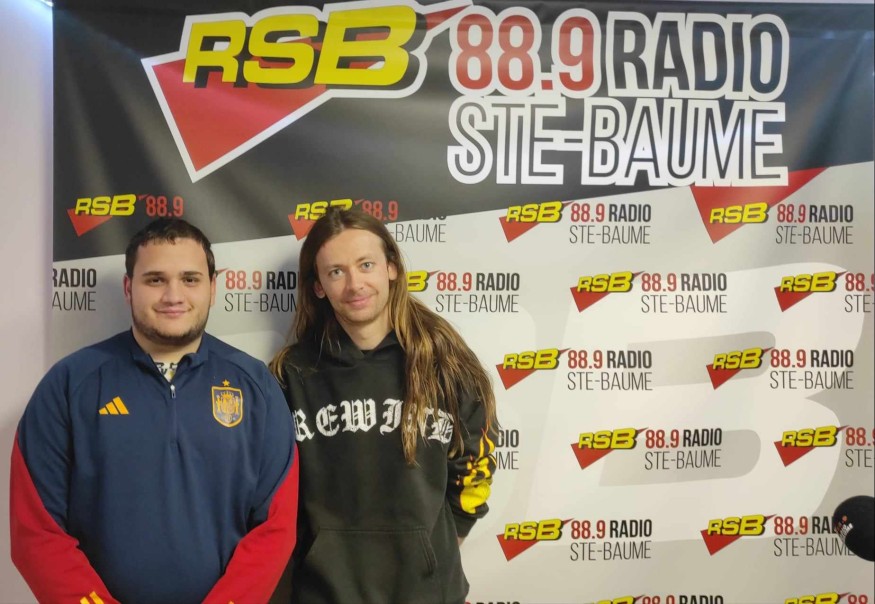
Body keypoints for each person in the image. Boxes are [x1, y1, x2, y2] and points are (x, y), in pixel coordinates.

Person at [10, 218, 299, 604]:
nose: (173, 295)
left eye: (190, 279)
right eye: (155, 279)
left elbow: (275, 528)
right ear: (129, 288)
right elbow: (36, 532)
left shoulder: (256, 386)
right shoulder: (68, 384)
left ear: (213, 288)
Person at [269, 207, 498, 604]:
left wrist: (430, 550)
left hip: (428, 592)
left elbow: (475, 467)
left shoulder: (447, 364)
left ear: (391, 267)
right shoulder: (290, 374)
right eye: (336, 272)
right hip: (324, 594)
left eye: (366, 265)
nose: (355, 284)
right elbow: (271, 492)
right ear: (319, 286)